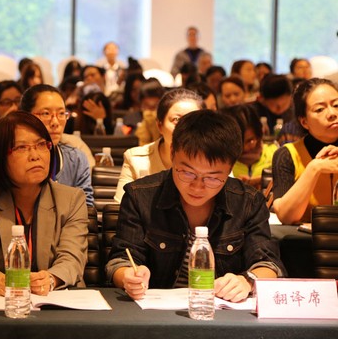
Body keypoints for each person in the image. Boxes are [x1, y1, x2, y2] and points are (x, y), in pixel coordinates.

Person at [107, 110, 284, 302]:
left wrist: (247, 281)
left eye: (213, 178)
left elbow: (269, 264)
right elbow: (120, 261)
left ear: (230, 169)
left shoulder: (248, 202)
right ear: (172, 153)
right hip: (154, 311)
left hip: (221, 312)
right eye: (187, 173)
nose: (197, 187)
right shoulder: (140, 196)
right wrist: (128, 276)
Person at [0, 111, 88, 295]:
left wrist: (50, 279)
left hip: (58, 301)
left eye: (41, 145)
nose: (35, 156)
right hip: (5, 302)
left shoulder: (71, 200)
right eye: (22, 148)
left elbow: (72, 258)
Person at [115, 89, 204, 203]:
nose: (185, 127)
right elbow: (121, 209)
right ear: (160, 126)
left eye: (193, 120)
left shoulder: (214, 160)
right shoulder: (137, 160)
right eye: (176, 119)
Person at [272, 78, 338, 224]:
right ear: (304, 122)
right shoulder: (287, 155)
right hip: (304, 238)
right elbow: (286, 216)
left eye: (336, 105)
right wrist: (314, 168)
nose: (332, 113)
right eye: (320, 109)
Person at [20, 84, 94, 207]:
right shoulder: (13, 158)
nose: (55, 122)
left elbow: (86, 208)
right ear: (25, 117)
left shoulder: (76, 159)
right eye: (46, 113)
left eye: (61, 113)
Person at [221, 104, 277, 189]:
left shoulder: (275, 154)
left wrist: (263, 180)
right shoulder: (223, 162)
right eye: (242, 142)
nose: (246, 147)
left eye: (251, 140)